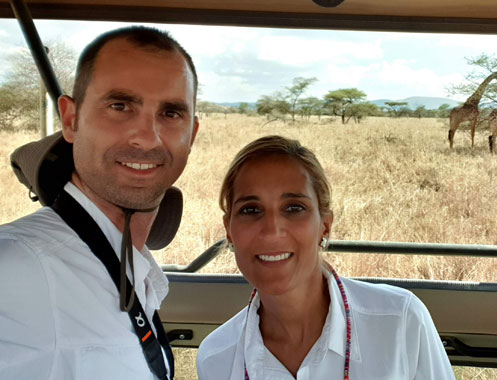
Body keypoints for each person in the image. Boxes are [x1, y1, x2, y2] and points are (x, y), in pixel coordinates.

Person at [0, 26, 199, 380]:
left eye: (170, 113)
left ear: (192, 135)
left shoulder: (133, 267)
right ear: (71, 120)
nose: (147, 138)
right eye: (120, 106)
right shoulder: (18, 266)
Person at [197, 135, 455, 380]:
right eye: (251, 209)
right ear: (229, 231)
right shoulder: (217, 357)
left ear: (325, 226)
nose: (272, 231)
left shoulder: (400, 321)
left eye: (294, 208)